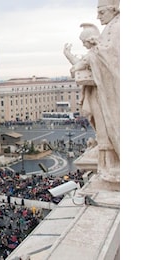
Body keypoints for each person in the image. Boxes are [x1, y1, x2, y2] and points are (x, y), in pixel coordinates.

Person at [70, 0, 120, 183]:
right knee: (104, 131)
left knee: (109, 129)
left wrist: (82, 62)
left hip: (110, 93)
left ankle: (113, 165)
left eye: (101, 11)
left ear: (112, 9)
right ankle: (110, 164)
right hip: (105, 92)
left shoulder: (118, 27)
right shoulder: (113, 27)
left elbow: (106, 55)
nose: (98, 16)